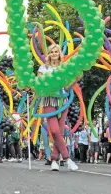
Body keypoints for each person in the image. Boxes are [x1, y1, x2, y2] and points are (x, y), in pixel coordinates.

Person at [37, 44, 78, 172]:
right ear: (48, 54)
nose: (54, 53)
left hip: (62, 101)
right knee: (54, 131)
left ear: (60, 53)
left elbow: (66, 87)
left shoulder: (64, 68)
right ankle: (68, 158)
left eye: (56, 51)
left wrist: (75, 80)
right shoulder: (43, 68)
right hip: (49, 100)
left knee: (59, 132)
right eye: (52, 52)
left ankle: (54, 159)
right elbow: (39, 85)